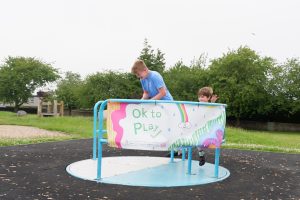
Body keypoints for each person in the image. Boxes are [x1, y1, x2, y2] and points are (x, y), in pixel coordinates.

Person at [197, 86, 218, 166]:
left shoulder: (209, 105)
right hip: (199, 128)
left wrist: (213, 102)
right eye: (199, 97)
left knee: (204, 142)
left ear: (208, 97)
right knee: (197, 142)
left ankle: (202, 152)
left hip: (208, 128)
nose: (200, 99)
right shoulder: (197, 105)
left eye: (203, 97)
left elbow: (212, 111)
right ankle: (201, 155)